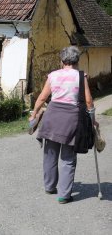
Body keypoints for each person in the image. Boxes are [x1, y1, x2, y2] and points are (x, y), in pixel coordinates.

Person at [29, 46, 97, 204]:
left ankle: (49, 187)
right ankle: (64, 195)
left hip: (52, 117)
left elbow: (42, 98)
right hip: (70, 120)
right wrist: (93, 120)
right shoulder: (81, 76)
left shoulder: (53, 75)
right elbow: (88, 101)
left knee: (50, 155)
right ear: (77, 61)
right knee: (67, 158)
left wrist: (33, 115)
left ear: (62, 61)